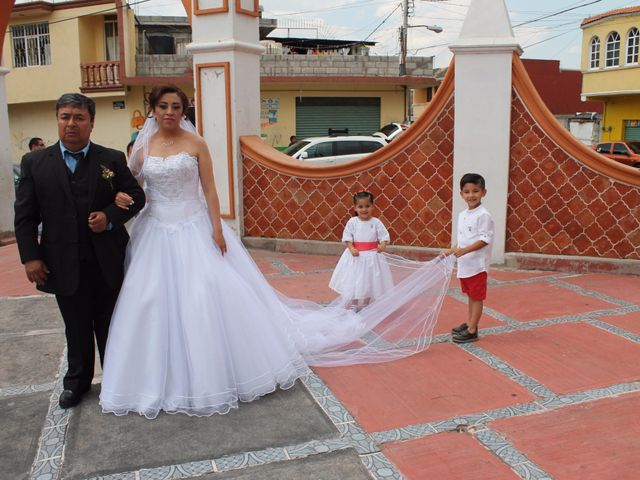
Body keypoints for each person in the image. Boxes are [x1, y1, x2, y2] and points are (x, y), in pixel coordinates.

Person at [99, 84, 454, 419]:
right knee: (151, 301)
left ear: (184, 111)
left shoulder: (196, 144)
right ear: (153, 110)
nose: (170, 112)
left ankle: (213, 372)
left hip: (194, 227)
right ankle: (152, 377)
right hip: (156, 232)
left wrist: (217, 228)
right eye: (163, 107)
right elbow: (132, 188)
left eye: (176, 107)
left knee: (204, 296)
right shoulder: (142, 151)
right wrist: (118, 198)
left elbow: (209, 190)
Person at [14, 93, 146, 409]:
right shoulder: (35, 163)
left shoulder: (111, 159)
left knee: (111, 324)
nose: (71, 123)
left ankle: (117, 379)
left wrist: (110, 218)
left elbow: (135, 197)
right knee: (75, 325)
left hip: (107, 259)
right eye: (65, 117)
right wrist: (31, 257)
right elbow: (26, 215)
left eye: (78, 117)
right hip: (61, 260)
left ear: (91, 122)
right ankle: (77, 382)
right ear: (58, 120)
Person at [446, 173, 494, 344]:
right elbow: (464, 238)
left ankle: (473, 329)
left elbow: (484, 239)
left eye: (475, 191)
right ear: (461, 194)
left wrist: (465, 250)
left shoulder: (483, 215)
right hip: (465, 264)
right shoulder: (463, 214)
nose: (471, 195)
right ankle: (469, 323)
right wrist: (452, 250)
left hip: (477, 265)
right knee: (470, 296)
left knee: (476, 297)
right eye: (467, 191)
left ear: (483, 192)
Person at [329, 191, 393, 311]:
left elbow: (384, 236)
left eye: (367, 206)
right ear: (355, 208)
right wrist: (351, 248)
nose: (364, 209)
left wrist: (383, 245)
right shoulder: (353, 222)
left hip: (372, 257)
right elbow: (347, 238)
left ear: (372, 206)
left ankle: (366, 302)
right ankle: (355, 302)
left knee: (369, 279)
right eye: (360, 206)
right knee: (356, 280)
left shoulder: (376, 222)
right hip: (356, 257)